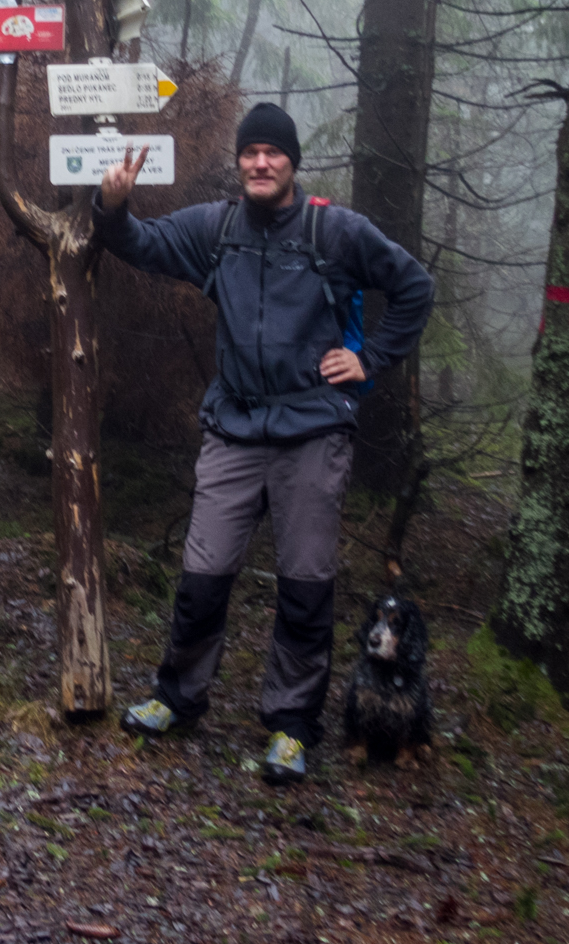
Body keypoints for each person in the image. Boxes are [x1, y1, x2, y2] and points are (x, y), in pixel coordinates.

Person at [95, 102, 434, 784]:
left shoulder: (335, 231)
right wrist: (112, 209)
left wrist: (372, 359)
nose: (259, 162)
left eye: (272, 153)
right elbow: (140, 244)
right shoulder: (216, 228)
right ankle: (177, 697)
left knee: (305, 586)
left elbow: (414, 287)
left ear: (291, 162)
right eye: (250, 152)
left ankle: (291, 726)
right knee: (203, 573)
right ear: (240, 161)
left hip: (312, 431)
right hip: (234, 426)